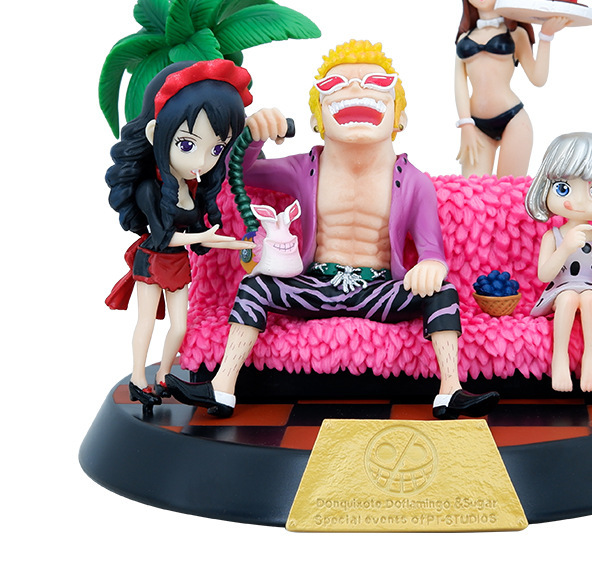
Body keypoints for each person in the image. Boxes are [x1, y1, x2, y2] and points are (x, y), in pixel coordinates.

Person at [167, 40, 499, 419]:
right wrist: (254, 134)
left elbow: (432, 250)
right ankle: (222, 387)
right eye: (334, 85)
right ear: (317, 120)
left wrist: (431, 268)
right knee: (254, 286)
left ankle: (450, 389)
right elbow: (238, 170)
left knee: (444, 292)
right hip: (315, 285)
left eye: (376, 82)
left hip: (379, 290)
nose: (355, 89)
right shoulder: (304, 168)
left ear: (400, 117)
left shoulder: (414, 182)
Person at [105, 60, 254, 411]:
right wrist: (203, 236)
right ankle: (138, 378)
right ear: (156, 134)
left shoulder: (193, 189)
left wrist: (240, 244)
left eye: (216, 149)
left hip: (177, 264)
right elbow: (164, 237)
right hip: (153, 260)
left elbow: (200, 236)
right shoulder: (149, 189)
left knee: (180, 327)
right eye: (188, 145)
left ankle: (164, 375)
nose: (202, 161)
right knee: (146, 322)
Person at [413, 0, 569, 177]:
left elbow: (538, 79)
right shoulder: (464, 38)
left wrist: (546, 36)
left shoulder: (515, 33)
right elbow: (459, 84)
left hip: (513, 120)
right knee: (472, 194)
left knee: (509, 194)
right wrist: (465, 124)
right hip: (475, 125)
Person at [525, 132, 592, 392]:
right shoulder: (553, 236)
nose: (579, 202)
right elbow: (544, 275)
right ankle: (559, 359)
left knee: (591, 299)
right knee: (567, 299)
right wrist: (564, 248)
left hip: (591, 287)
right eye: (564, 188)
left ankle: (590, 359)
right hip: (560, 289)